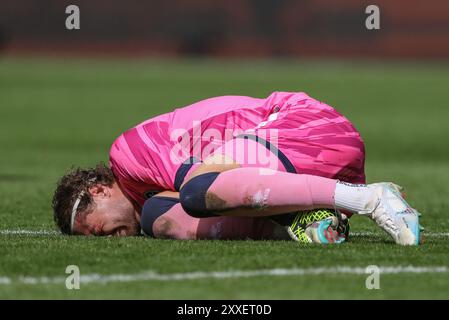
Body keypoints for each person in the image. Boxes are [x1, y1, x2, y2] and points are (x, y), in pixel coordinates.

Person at [52, 91, 421, 245]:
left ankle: (369, 199)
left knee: (198, 191)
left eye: (99, 230)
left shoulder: (127, 153)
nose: (110, 239)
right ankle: (307, 224)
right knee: (160, 216)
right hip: (298, 160)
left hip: (307, 126)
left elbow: (210, 183)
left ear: (97, 190)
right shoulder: (149, 201)